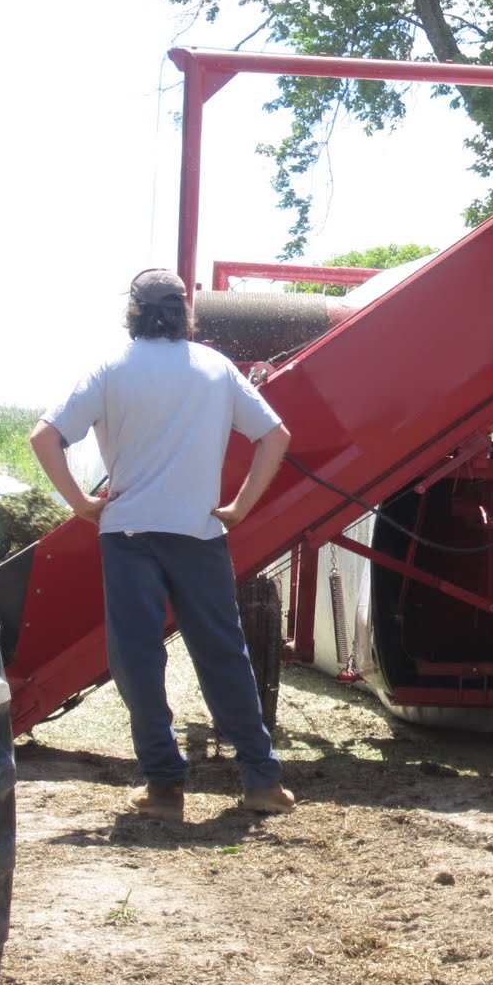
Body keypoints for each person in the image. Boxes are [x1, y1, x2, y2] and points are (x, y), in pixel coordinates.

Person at [30, 268, 295, 820]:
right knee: (224, 654)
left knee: (139, 659)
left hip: (129, 535)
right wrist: (241, 507)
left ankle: (165, 787)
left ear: (132, 310)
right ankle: (262, 782)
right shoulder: (216, 368)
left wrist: (81, 503)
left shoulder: (110, 369)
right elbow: (276, 435)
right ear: (185, 313)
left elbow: (45, 436)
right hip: (200, 533)